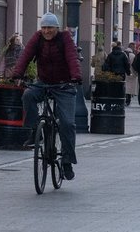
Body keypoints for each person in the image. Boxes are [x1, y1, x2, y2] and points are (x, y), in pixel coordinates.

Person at [11, 13, 81, 180]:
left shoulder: (65, 39)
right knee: (28, 95)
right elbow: (26, 56)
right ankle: (35, 130)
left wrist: (76, 77)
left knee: (67, 123)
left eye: (50, 27)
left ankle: (67, 161)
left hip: (64, 84)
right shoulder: (37, 38)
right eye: (43, 27)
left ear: (56, 28)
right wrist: (17, 74)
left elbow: (72, 58)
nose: (46, 31)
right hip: (43, 82)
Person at [124, 42, 138, 106]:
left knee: (125, 85)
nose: (135, 48)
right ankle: (128, 100)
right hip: (131, 73)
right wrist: (136, 72)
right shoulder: (133, 55)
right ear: (132, 47)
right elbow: (135, 65)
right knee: (130, 87)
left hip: (124, 72)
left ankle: (124, 98)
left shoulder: (123, 53)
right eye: (134, 47)